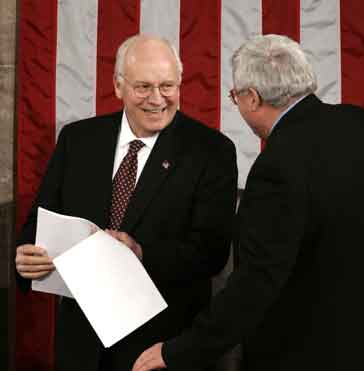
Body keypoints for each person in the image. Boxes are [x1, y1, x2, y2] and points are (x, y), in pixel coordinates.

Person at [132, 34, 364, 371]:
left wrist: (178, 351)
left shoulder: (278, 166)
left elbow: (255, 284)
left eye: (235, 97)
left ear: (252, 98)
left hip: (308, 353)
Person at [15, 35, 238, 371]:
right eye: (143, 87)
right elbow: (39, 223)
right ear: (118, 86)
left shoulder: (211, 151)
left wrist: (141, 251)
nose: (157, 99)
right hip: (82, 346)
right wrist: (25, 255)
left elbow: (212, 252)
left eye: (167, 86)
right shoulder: (78, 140)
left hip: (159, 347)